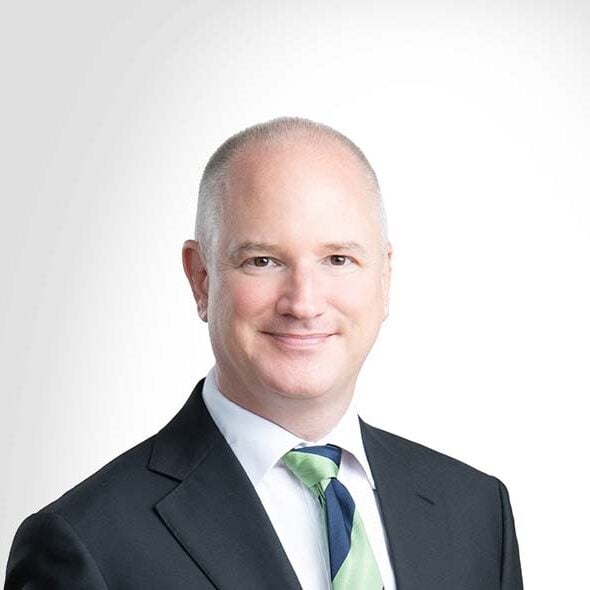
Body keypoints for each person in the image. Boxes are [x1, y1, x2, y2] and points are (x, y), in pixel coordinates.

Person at [4, 117, 523, 589]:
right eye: (263, 261)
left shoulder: (477, 512)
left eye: (338, 259)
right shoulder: (87, 544)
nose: (304, 303)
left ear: (384, 278)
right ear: (201, 278)